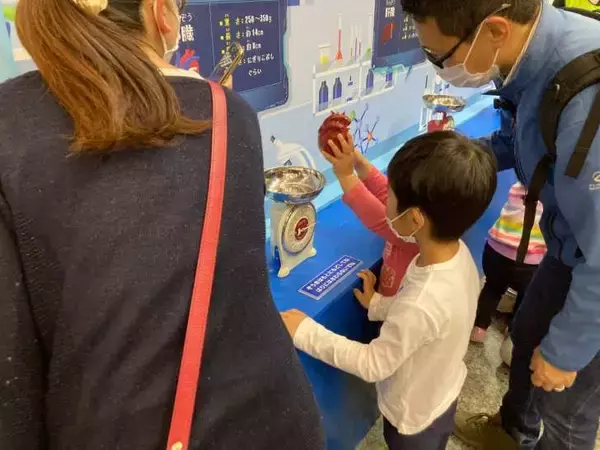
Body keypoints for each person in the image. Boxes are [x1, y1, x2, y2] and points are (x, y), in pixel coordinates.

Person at [0, 0, 325, 448]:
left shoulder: (10, 124)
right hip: (275, 420)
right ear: (161, 13)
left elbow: (12, 386)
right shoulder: (227, 113)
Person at [400, 0, 600, 448]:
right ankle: (513, 433)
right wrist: (453, 159)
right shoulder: (528, 65)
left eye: (440, 56)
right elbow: (522, 140)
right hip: (570, 245)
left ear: (494, 30)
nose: (439, 68)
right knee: (527, 335)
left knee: (567, 410)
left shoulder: (585, 95)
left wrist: (567, 351)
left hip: (594, 259)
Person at [282, 131, 498, 450]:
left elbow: (374, 363)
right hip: (442, 393)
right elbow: (423, 317)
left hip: (413, 421)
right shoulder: (455, 255)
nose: (387, 202)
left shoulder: (423, 299)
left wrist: (305, 332)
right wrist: (379, 305)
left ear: (415, 219)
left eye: (391, 196)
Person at [321, 137, 419, 297]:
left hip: (393, 309)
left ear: (415, 218)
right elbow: (384, 191)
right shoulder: (431, 227)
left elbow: (378, 218)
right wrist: (355, 159)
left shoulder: (416, 240)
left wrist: (346, 176)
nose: (388, 196)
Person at [471, 182, 546, 344]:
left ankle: (479, 329)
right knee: (525, 297)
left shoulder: (519, 185)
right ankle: (512, 335)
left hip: (497, 248)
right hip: (530, 259)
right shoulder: (557, 195)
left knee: (492, 288)